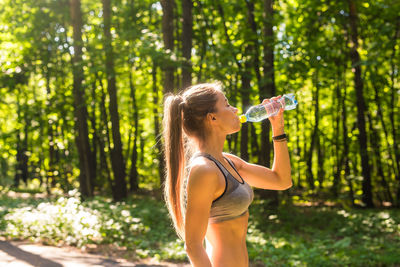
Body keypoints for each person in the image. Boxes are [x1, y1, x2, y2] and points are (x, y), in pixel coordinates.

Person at [162, 82, 292, 267]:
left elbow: (282, 181)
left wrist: (278, 128)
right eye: (227, 104)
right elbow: (193, 245)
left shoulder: (230, 162)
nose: (236, 109)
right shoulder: (204, 170)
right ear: (212, 118)